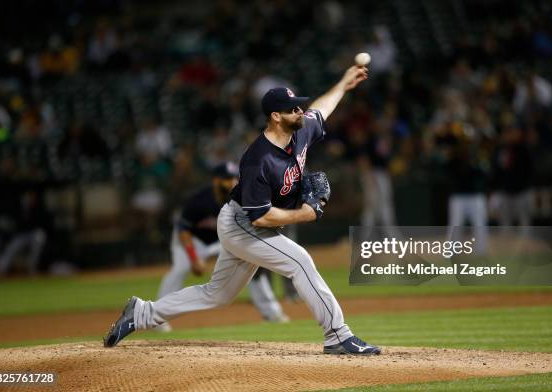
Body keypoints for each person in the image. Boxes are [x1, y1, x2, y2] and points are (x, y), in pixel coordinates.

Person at [104, 65, 381, 355]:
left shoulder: (300, 131)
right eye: (293, 109)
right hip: (243, 225)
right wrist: (306, 213)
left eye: (299, 107)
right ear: (276, 116)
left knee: (218, 294)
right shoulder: (258, 160)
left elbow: (322, 108)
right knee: (299, 262)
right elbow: (261, 216)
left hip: (253, 224)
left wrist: (344, 84)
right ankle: (337, 335)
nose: (300, 112)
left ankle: (141, 313)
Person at [155, 162, 289, 332]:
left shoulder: (242, 197)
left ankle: (272, 313)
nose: (232, 182)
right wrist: (193, 257)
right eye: (227, 179)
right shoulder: (199, 200)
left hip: (221, 240)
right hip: (191, 240)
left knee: (252, 260)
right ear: (216, 181)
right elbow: (183, 230)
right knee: (181, 268)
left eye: (234, 177)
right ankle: (157, 316)